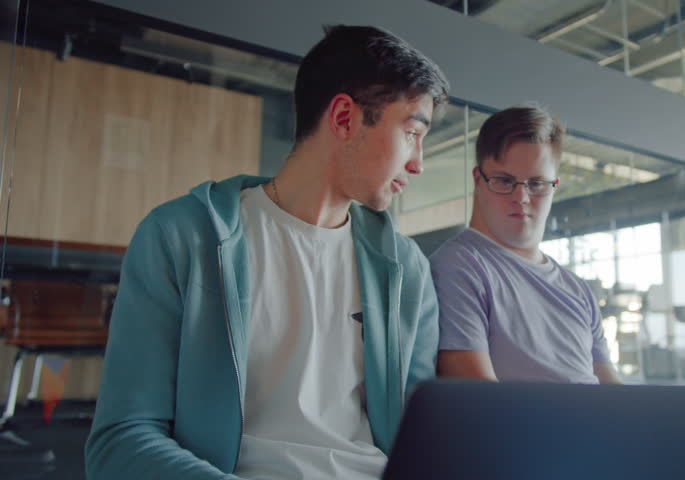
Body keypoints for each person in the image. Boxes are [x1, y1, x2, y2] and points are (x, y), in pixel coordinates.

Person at [85, 25, 449, 480]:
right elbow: (121, 443)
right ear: (343, 118)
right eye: (413, 132)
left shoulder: (406, 268)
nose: (418, 162)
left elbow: (423, 441)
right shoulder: (179, 237)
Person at [430, 105, 621, 385]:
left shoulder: (578, 289)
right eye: (504, 180)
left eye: (537, 183)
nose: (521, 197)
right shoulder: (457, 267)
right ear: (477, 180)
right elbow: (478, 402)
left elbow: (616, 398)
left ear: (555, 185)